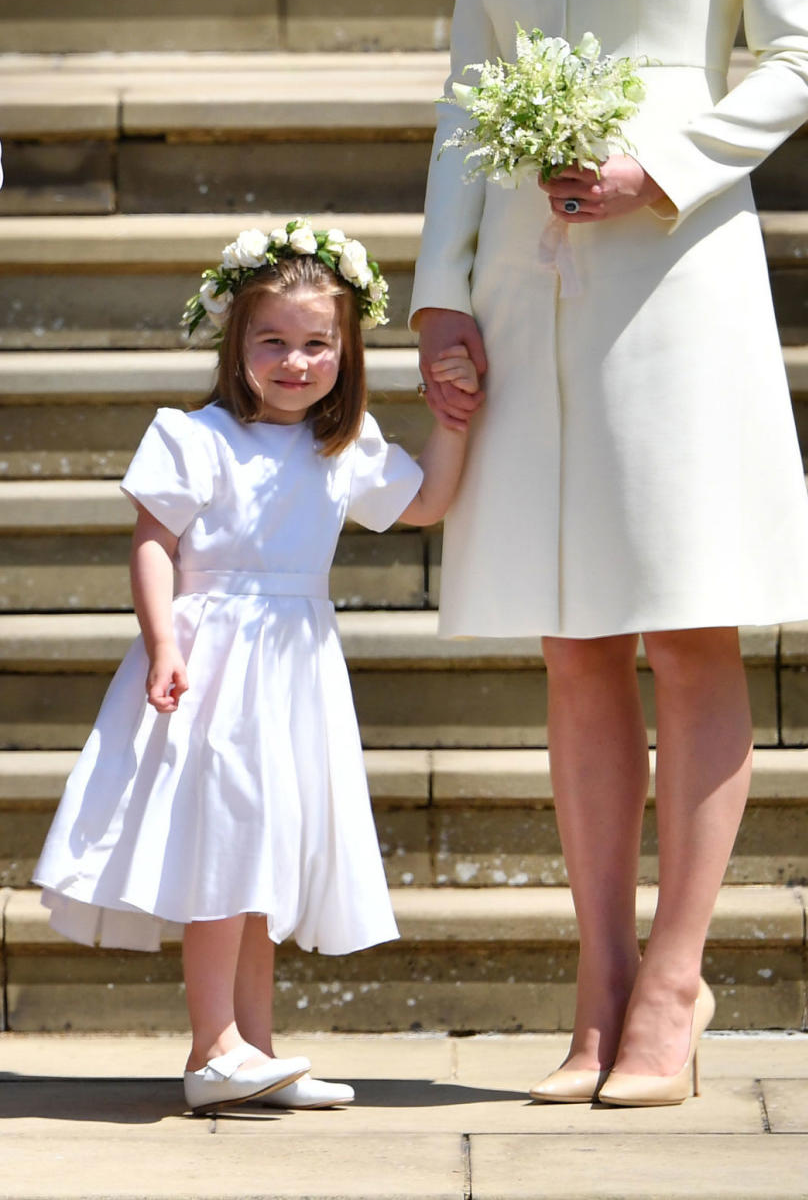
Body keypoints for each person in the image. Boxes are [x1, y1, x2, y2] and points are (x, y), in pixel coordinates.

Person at [411, 0, 808, 1107]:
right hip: (527, 287)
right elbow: (463, 91)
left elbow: (802, 52)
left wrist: (672, 157)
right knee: (571, 639)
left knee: (682, 623)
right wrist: (441, 291)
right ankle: (592, 987)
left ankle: (674, 986)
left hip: (678, 283)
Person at [35, 222, 477, 1115]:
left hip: (293, 669)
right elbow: (155, 541)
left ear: (346, 351)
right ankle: (213, 1049)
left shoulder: (340, 445)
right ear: (235, 340)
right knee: (224, 852)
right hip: (211, 664)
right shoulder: (195, 436)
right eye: (272, 340)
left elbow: (427, 499)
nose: (295, 360)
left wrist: (453, 421)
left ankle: (255, 1048)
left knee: (262, 856)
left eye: (318, 343)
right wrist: (162, 641)